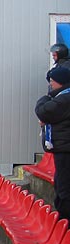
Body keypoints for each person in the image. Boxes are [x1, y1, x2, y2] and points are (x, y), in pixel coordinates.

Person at [35, 65, 70, 222]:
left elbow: (43, 111)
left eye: (53, 81)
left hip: (65, 148)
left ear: (61, 82)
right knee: (60, 182)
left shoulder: (64, 98)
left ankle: (65, 219)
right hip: (62, 147)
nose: (51, 84)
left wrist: (45, 97)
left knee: (64, 185)